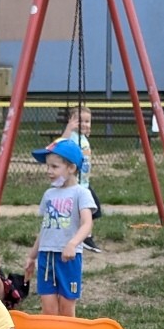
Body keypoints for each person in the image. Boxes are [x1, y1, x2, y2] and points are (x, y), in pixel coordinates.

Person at [24, 139, 97, 317]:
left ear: (71, 168)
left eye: (54, 167)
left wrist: (72, 243)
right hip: (46, 256)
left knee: (66, 307)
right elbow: (45, 228)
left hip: (68, 258)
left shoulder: (81, 193)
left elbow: (87, 223)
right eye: (47, 166)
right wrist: (32, 256)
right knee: (48, 308)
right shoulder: (49, 194)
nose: (49, 171)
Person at [58, 106, 102, 253]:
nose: (84, 124)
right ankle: (86, 237)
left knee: (94, 209)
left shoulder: (83, 138)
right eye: (80, 121)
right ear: (72, 122)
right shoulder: (71, 137)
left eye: (88, 121)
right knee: (89, 210)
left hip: (85, 183)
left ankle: (82, 236)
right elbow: (59, 144)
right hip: (76, 184)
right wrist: (69, 129)